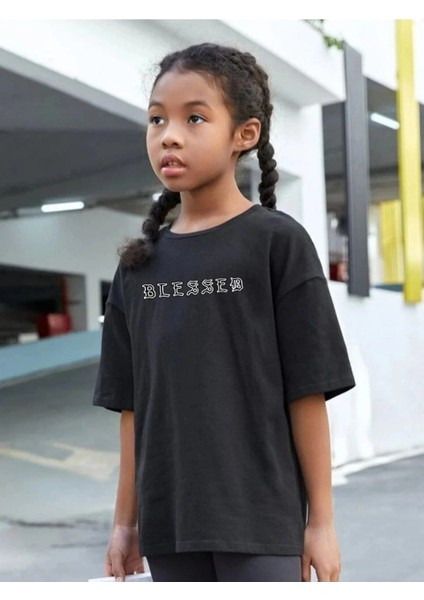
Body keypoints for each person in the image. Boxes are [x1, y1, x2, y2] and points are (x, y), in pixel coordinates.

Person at [92, 42, 356, 583]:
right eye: (157, 119)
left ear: (245, 134)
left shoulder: (277, 244)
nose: (169, 135)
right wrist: (125, 523)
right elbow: (132, 409)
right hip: (170, 526)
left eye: (194, 118)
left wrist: (321, 523)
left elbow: (307, 392)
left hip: (263, 523)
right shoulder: (138, 267)